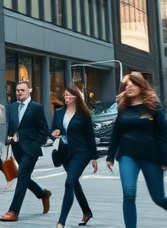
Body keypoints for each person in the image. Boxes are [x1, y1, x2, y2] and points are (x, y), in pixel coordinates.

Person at [106, 72, 167, 228]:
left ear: (141, 86)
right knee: (128, 195)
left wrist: (166, 158)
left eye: (132, 84)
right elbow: (116, 133)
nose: (128, 87)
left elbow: (166, 133)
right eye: (126, 86)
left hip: (151, 156)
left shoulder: (152, 107)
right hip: (127, 155)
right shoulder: (123, 108)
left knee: (158, 198)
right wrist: (110, 155)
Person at [0, 80, 52, 222]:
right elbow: (11, 126)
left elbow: (44, 129)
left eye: (22, 90)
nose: (19, 93)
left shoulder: (36, 108)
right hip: (16, 148)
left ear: (29, 91)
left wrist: (35, 146)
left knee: (22, 175)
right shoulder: (11, 107)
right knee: (24, 176)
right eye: (17, 90)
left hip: (31, 150)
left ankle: (13, 211)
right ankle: (42, 194)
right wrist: (9, 137)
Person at [50, 86, 98, 228]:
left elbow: (90, 136)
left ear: (76, 97)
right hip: (65, 153)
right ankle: (86, 212)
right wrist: (54, 133)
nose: (66, 97)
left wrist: (93, 158)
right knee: (75, 183)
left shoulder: (84, 114)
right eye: (64, 95)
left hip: (81, 153)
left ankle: (61, 222)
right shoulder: (59, 112)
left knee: (69, 182)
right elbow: (52, 130)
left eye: (68, 95)